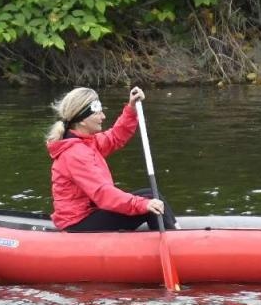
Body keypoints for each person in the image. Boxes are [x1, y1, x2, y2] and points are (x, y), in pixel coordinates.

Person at [46, 85, 173, 232]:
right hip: (77, 222)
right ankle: (175, 240)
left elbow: (115, 137)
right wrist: (142, 205)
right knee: (149, 204)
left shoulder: (87, 142)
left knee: (150, 194)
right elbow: (103, 193)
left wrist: (131, 109)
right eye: (98, 113)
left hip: (91, 212)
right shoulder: (75, 154)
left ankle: (174, 232)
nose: (103, 117)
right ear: (82, 120)